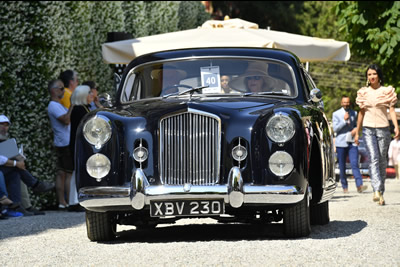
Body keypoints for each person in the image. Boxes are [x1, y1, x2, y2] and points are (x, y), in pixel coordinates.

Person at [355, 64, 399, 206]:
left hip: (383, 129)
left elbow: (391, 110)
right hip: (368, 129)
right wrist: (357, 130)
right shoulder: (363, 92)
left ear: (379, 75)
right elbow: (361, 112)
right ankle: (375, 190)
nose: (371, 77)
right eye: (369, 74)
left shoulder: (386, 91)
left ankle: (381, 191)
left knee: (381, 161)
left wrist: (396, 127)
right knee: (373, 158)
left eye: (374, 74)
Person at [0, 115, 55, 214]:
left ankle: (19, 206)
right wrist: (16, 163)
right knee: (16, 169)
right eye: (2, 125)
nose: (4, 127)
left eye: (6, 125)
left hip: (6, 169)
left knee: (16, 172)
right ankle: (36, 185)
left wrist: (19, 158)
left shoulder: (6, 141)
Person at [47, 79, 74, 209]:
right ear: (53, 91)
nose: (63, 91)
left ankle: (62, 202)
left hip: (62, 142)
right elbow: (66, 120)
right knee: (68, 173)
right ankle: (69, 202)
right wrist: (72, 105)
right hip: (65, 143)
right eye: (61, 88)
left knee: (61, 173)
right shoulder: (53, 105)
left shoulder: (57, 105)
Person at [332, 96, 368, 193]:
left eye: (347, 102)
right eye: (344, 102)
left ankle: (359, 185)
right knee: (342, 166)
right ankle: (344, 186)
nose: (346, 104)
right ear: (341, 103)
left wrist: (356, 130)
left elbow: (357, 125)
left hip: (352, 142)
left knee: (355, 164)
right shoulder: (336, 114)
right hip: (341, 143)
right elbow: (335, 129)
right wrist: (344, 121)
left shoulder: (354, 113)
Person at [68, 85, 93, 212]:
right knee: (77, 172)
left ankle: (75, 200)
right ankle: (74, 201)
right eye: (89, 93)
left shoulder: (83, 108)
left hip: (79, 145)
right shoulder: (79, 110)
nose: (92, 95)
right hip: (79, 145)